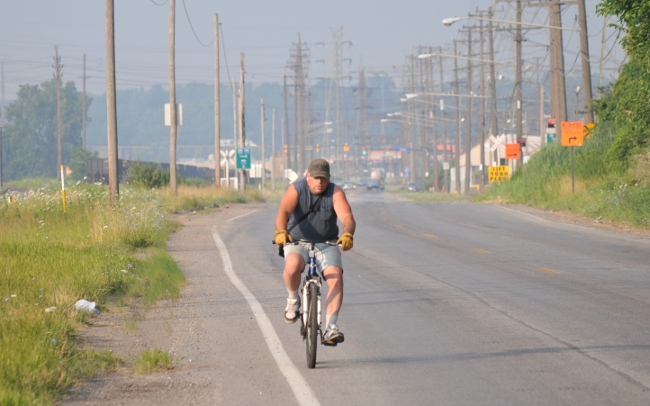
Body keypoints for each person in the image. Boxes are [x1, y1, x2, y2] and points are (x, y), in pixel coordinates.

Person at [274, 158, 356, 345]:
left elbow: (347, 217)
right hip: (297, 241)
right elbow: (283, 212)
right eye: (316, 177)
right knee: (293, 265)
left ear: (328, 179)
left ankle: (331, 328)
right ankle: (293, 299)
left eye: (324, 178)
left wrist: (348, 234)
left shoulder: (335, 192)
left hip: (327, 242)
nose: (320, 182)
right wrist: (281, 231)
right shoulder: (296, 189)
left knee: (336, 276)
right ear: (307, 176)